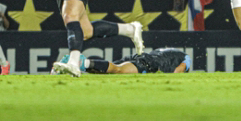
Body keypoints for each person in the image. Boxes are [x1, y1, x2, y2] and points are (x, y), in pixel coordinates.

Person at [55, 48, 192, 74]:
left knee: (107, 71)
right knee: (117, 70)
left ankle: (72, 64)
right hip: (149, 64)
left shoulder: (170, 51)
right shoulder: (187, 58)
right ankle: (79, 62)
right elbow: (177, 71)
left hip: (141, 57)